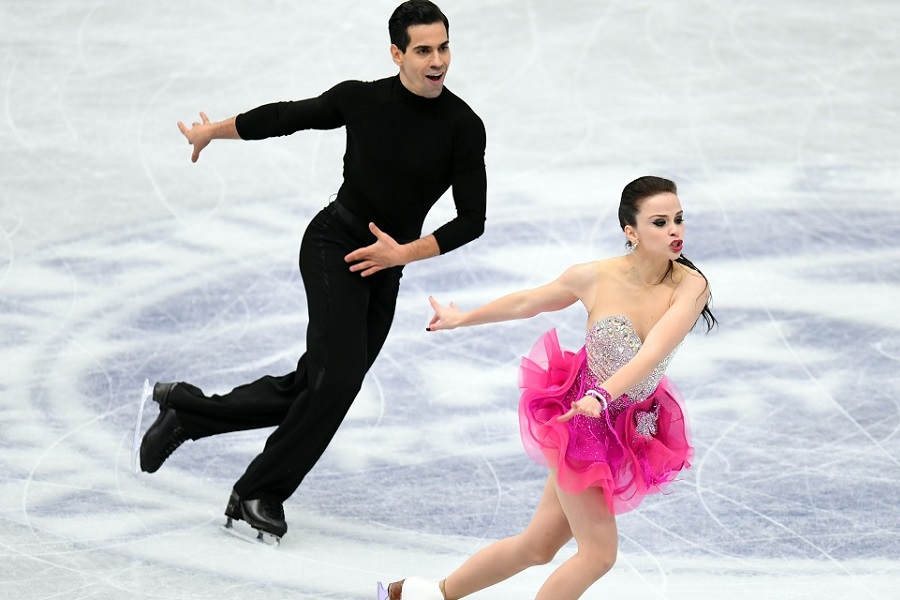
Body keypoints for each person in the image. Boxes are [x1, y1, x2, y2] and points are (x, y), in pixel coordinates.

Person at [137, 0, 487, 543]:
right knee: (337, 380)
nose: (437, 60)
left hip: (386, 266)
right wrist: (213, 131)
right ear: (397, 54)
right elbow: (285, 117)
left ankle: (188, 412)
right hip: (333, 246)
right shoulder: (363, 99)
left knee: (320, 384)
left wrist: (401, 255)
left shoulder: (463, 126)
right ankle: (258, 491)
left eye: (443, 47)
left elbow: (472, 220)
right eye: (423, 50)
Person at [379, 176, 717, 600]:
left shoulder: (691, 285)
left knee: (537, 546)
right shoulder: (594, 277)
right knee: (598, 555)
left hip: (628, 421)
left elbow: (652, 353)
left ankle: (418, 593)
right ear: (630, 232)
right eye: (660, 222)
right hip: (581, 422)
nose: (674, 231)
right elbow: (528, 302)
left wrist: (605, 395)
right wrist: (463, 318)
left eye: (679, 219)